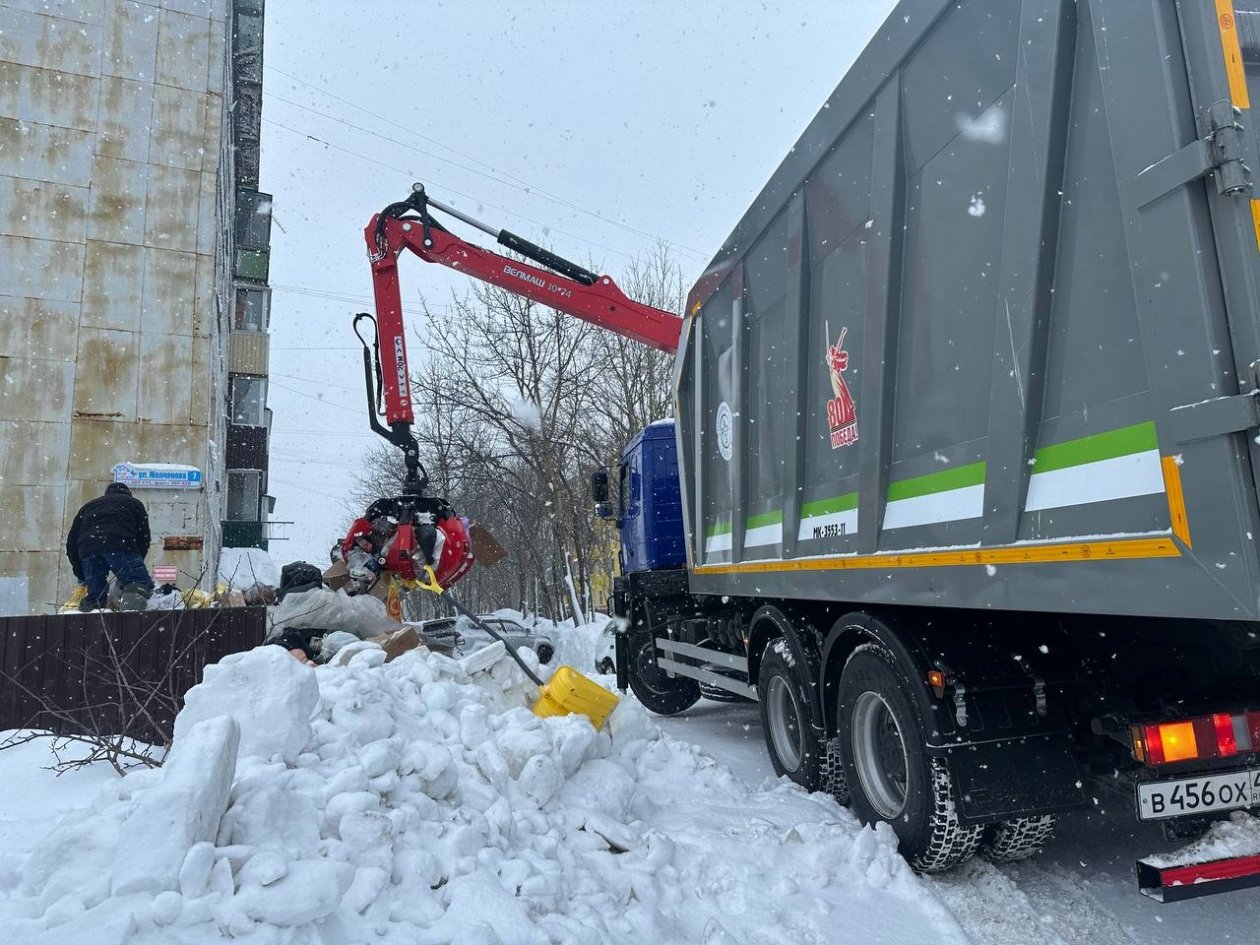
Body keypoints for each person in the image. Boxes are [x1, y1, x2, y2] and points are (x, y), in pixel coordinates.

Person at [66, 482, 154, 612]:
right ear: (128, 493)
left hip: (88, 548)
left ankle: (89, 626)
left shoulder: (88, 506)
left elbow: (71, 543)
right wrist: (136, 561)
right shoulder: (134, 503)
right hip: (120, 544)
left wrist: (81, 573)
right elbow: (144, 537)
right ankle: (132, 624)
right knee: (138, 585)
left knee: (95, 595)